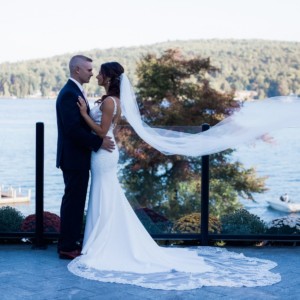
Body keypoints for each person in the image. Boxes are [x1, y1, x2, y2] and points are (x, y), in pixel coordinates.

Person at [67, 62, 281, 290]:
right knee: (106, 194)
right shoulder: (114, 101)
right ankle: (103, 238)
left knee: (104, 193)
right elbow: (107, 129)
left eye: (100, 73)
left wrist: (82, 113)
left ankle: (103, 241)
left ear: (108, 78)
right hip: (106, 152)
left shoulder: (110, 101)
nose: (97, 75)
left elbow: (101, 131)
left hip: (103, 152)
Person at [56, 55, 114, 260]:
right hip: (73, 158)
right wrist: (99, 143)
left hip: (78, 157)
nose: (92, 73)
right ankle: (67, 246)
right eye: (89, 70)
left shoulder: (75, 91)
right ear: (77, 70)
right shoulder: (68, 95)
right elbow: (72, 130)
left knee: (76, 201)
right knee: (73, 202)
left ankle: (70, 242)